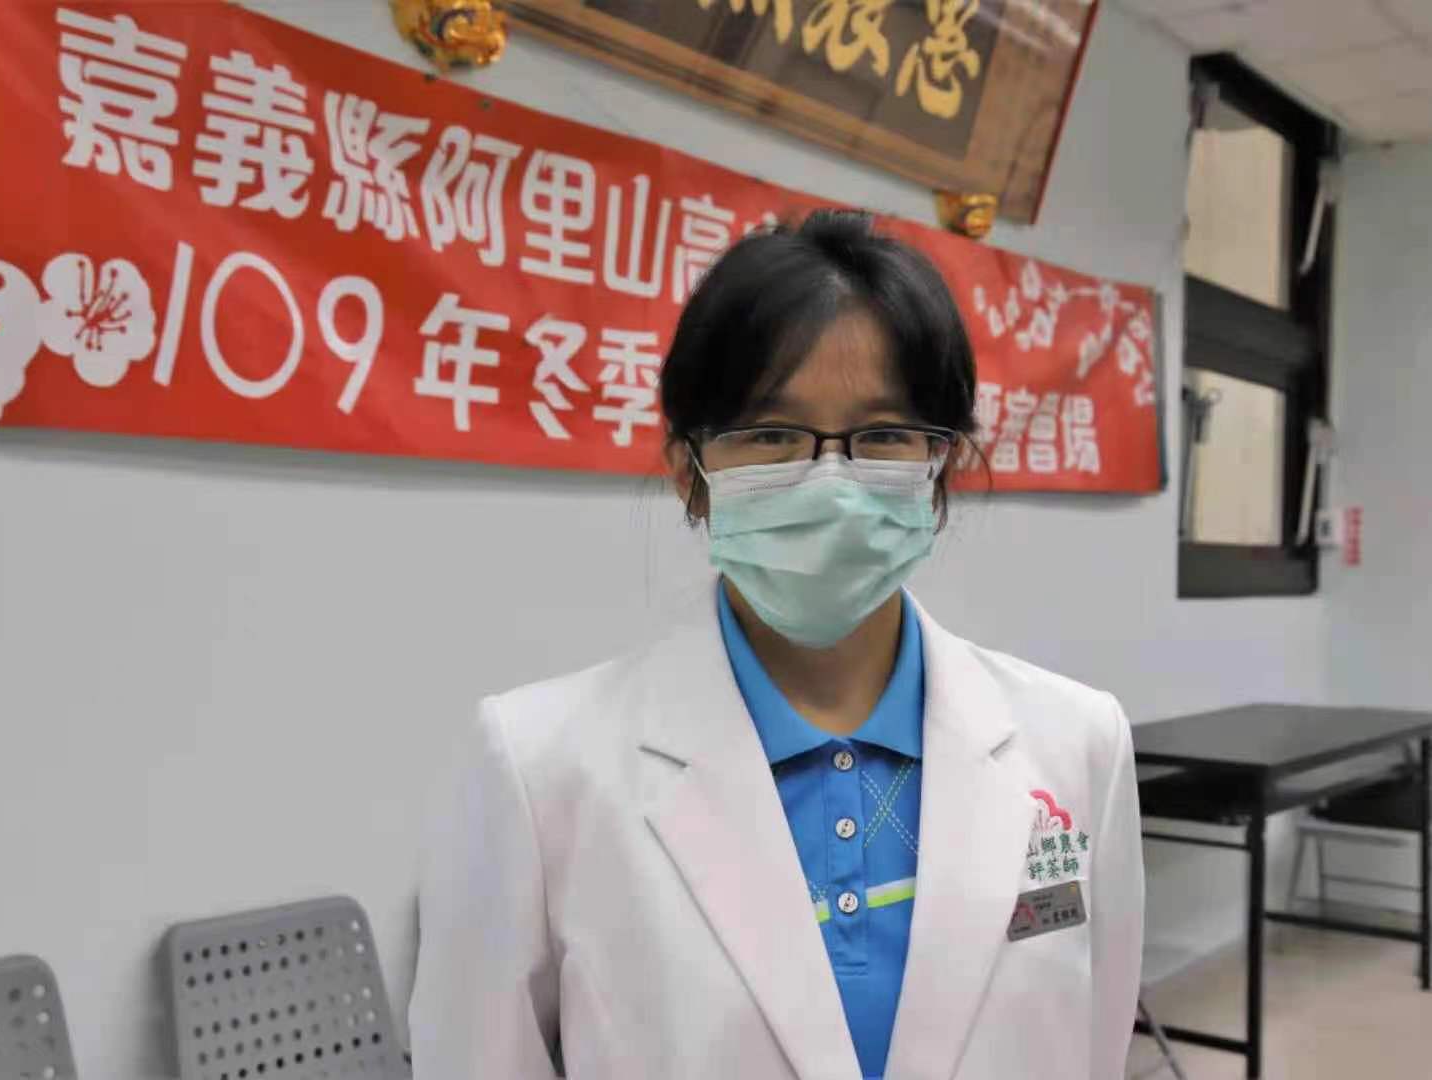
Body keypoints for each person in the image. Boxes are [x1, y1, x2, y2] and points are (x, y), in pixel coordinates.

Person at [409, 209, 1143, 1079]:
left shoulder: (1077, 744)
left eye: (882, 434)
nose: (830, 481)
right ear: (688, 471)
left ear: (940, 467)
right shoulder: (540, 771)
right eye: (771, 434)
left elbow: (1095, 1046)